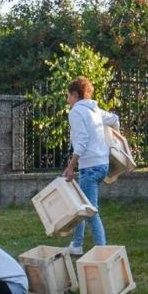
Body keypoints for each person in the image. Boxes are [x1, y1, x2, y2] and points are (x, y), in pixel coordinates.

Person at [62, 76, 119, 256]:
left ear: (75, 95)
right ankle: (77, 245)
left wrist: (71, 167)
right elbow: (115, 119)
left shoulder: (76, 112)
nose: (67, 100)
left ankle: (102, 252)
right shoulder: (95, 110)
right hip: (102, 165)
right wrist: (115, 143)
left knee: (91, 211)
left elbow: (82, 141)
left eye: (69, 96)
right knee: (81, 205)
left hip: (90, 168)